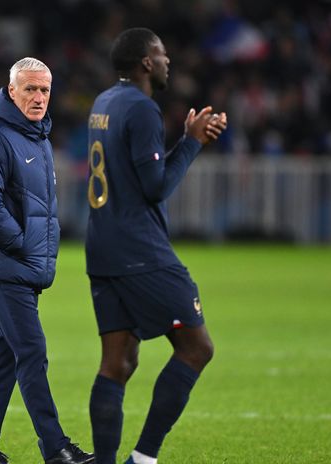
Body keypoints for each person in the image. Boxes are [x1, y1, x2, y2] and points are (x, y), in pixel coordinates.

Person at [83, 28, 227, 464]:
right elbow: (156, 186)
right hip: (140, 251)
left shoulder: (104, 102)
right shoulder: (142, 108)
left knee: (117, 364)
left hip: (102, 249)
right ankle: (144, 459)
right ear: (147, 62)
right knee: (198, 348)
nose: (168, 61)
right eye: (162, 54)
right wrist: (192, 143)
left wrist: (184, 138)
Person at [0, 58, 94, 464]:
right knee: (32, 351)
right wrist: (20, 243)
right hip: (5, 267)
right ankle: (55, 447)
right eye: (30, 89)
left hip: (21, 267)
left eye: (44, 90)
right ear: (11, 91)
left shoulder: (38, 139)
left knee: (3, 357)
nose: (39, 98)